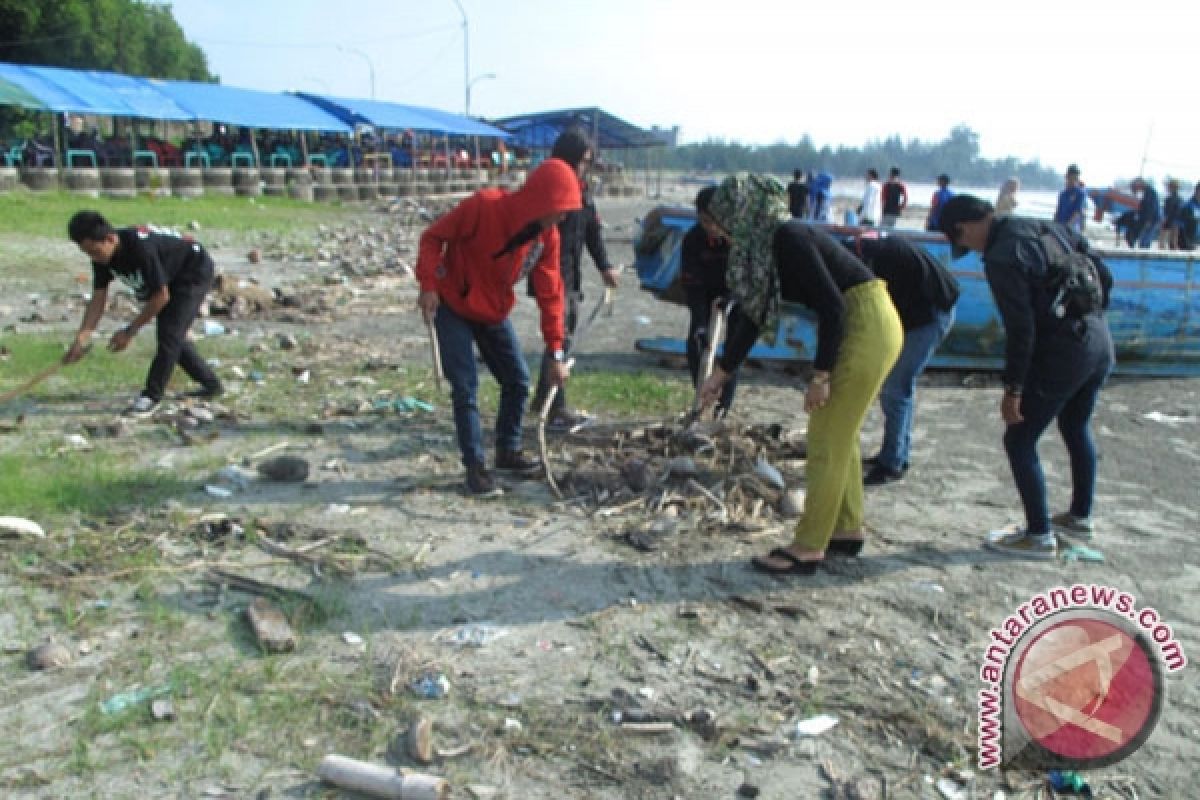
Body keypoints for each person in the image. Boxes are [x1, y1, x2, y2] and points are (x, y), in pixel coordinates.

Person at [697, 173, 902, 574]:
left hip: (867, 322)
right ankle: (846, 528)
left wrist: (821, 376)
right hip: (868, 320)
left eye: (721, 219)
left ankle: (809, 546)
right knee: (840, 434)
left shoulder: (787, 236)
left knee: (825, 436)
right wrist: (721, 373)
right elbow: (754, 317)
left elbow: (833, 306)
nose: (719, 231)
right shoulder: (764, 244)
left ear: (742, 210)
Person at [937, 195, 1114, 559]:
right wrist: (1093, 319)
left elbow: (1021, 329)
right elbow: (1102, 271)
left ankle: (1038, 536)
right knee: (1075, 424)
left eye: (961, 241)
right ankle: (1080, 517)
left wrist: (1013, 389)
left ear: (966, 226)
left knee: (1019, 439)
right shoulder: (1046, 227)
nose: (966, 248)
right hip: (1099, 340)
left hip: (1065, 350)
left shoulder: (1002, 256)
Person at [416, 158, 582, 496]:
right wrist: (429, 284)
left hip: (492, 310)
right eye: (560, 208)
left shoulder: (546, 238)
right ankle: (475, 467)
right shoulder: (484, 207)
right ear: (542, 200)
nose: (563, 217)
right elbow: (433, 238)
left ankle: (507, 451)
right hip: (453, 304)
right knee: (465, 386)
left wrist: (555, 352)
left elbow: (552, 295)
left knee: (518, 380)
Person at [65, 211, 223, 416]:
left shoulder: (141, 250)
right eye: (88, 253)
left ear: (110, 239)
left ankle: (151, 396)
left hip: (191, 271)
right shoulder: (102, 258)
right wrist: (82, 337)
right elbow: (98, 298)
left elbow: (161, 297)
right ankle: (211, 385)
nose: (94, 258)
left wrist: (130, 331)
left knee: (169, 335)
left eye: (95, 252)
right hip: (167, 276)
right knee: (172, 336)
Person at [528, 128, 621, 431]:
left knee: (561, 336)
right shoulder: (552, 191)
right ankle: (555, 408)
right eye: (583, 161)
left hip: (571, 275)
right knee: (559, 340)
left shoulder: (583, 192)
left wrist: (605, 267)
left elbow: (592, 233)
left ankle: (544, 401)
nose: (586, 167)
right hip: (551, 275)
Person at [858, 236, 960, 485]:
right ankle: (895, 455)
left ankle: (892, 463)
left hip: (930, 318)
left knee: (896, 388)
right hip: (933, 309)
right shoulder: (887, 250)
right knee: (900, 389)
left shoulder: (884, 263)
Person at [682, 186, 737, 415]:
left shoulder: (737, 237)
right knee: (696, 342)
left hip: (735, 293)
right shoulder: (693, 240)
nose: (712, 228)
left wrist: (729, 299)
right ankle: (702, 394)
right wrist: (701, 321)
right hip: (703, 292)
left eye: (716, 221)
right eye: (705, 222)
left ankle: (723, 407)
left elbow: (746, 278)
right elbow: (692, 285)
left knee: (735, 348)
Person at [1129, 177, 1162, 249]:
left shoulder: (1149, 193)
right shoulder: (1146, 193)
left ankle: (1144, 258)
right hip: (1150, 219)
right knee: (1144, 240)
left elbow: (1151, 208)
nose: (1136, 190)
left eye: (1135, 187)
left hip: (1152, 219)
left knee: (1145, 241)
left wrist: (1148, 220)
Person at [1053, 164, 1087, 234]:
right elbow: (1058, 210)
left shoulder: (1080, 193)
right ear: (1066, 177)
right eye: (1071, 177)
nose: (1073, 180)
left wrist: (1068, 225)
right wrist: (1054, 224)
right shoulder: (1063, 194)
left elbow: (1077, 212)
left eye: (1075, 178)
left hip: (1073, 227)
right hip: (1060, 224)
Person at [1175, 183, 1200, 251]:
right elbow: (1177, 225)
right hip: (1185, 243)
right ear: (1196, 190)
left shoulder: (1198, 206)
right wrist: (1175, 244)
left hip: (1196, 242)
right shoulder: (1187, 206)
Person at [1160, 179, 1183, 250]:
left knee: (1163, 241)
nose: (1167, 188)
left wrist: (1164, 220)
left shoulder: (1169, 199)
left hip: (1169, 221)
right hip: (1176, 222)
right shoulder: (1180, 199)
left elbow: (1167, 212)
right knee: (1173, 241)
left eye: (1169, 186)